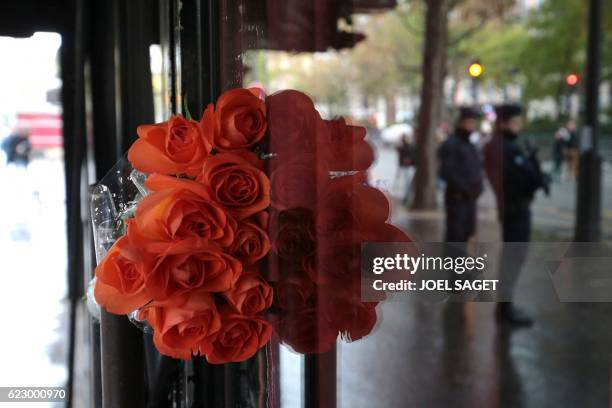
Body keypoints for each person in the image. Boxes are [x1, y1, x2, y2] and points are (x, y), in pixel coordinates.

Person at [484, 104, 548, 326]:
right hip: (515, 210)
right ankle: (505, 309)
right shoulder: (506, 148)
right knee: (513, 259)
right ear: (504, 123)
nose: (518, 126)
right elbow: (527, 180)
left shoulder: (499, 145)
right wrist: (532, 163)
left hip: (511, 208)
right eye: (515, 122)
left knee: (512, 258)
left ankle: (505, 306)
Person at [438, 107, 483, 243]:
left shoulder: (470, 145)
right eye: (469, 122)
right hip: (457, 200)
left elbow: (476, 169)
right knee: (455, 237)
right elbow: (446, 172)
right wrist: (465, 188)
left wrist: (478, 188)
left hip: (470, 200)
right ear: (461, 122)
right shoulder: (451, 144)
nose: (472, 126)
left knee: (467, 235)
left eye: (474, 122)